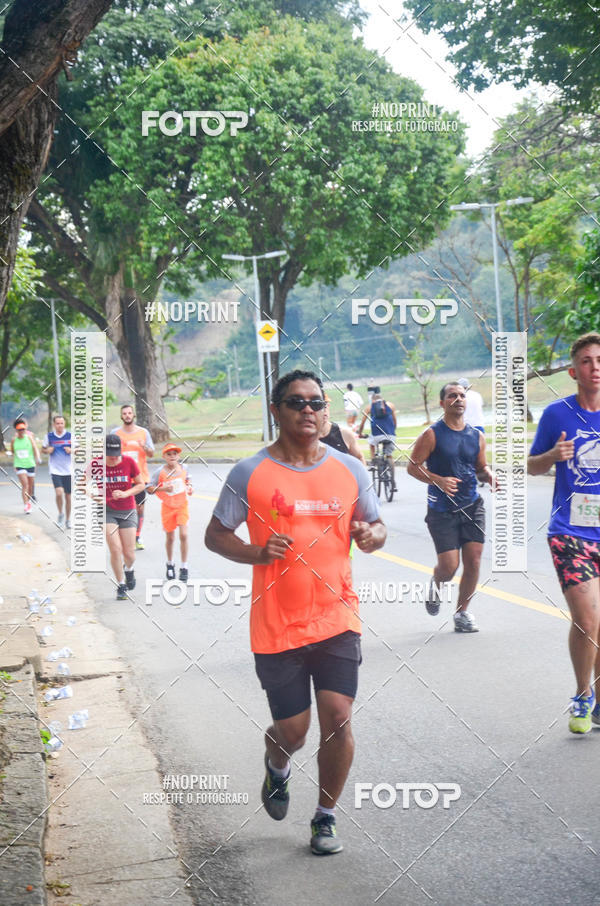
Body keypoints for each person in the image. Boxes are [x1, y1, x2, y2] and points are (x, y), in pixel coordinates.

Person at [205, 369, 385, 855]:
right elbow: (216, 535)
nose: (308, 410)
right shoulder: (249, 472)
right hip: (277, 624)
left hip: (336, 616)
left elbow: (376, 526)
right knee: (294, 732)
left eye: (315, 402)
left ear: (326, 410)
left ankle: (325, 817)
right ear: (276, 411)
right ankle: (277, 765)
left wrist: (373, 536)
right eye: (295, 402)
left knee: (339, 716)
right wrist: (256, 553)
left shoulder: (350, 469)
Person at [528, 333, 600, 734]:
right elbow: (532, 466)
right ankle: (582, 694)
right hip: (570, 531)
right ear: (574, 371)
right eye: (587, 361)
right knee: (587, 621)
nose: (595, 367)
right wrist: (553, 456)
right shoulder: (557, 415)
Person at [407, 382, 496, 632]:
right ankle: (436, 585)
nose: (458, 399)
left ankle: (462, 614)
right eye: (452, 396)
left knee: (474, 561)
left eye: (461, 395)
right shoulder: (432, 434)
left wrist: (489, 475)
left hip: (472, 505)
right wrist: (438, 480)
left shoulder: (477, 436)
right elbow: (412, 467)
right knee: (449, 566)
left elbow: (480, 467)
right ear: (442, 402)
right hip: (442, 509)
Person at [96, 434, 145, 601]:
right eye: (109, 453)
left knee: (129, 553)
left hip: (128, 510)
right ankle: (121, 584)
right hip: (106, 510)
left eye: (116, 453)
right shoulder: (97, 464)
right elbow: (81, 484)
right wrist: (95, 496)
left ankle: (129, 569)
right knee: (115, 549)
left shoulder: (129, 462)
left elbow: (140, 485)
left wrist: (125, 493)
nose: (113, 457)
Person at [147, 443, 193, 581]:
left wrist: (190, 487)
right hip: (167, 507)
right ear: (164, 456)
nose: (172, 456)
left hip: (182, 506)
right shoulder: (160, 471)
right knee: (171, 538)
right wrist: (163, 489)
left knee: (184, 535)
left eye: (175, 453)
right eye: (169, 454)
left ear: (178, 456)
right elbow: (149, 488)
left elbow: (188, 480)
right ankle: (170, 563)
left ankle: (184, 567)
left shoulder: (184, 467)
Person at [113, 405, 154, 550]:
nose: (127, 415)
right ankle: (122, 535)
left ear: (133, 415)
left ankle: (137, 536)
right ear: (121, 416)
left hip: (140, 478)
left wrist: (144, 446)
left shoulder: (143, 432)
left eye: (130, 413)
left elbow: (151, 454)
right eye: (124, 413)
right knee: (121, 509)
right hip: (121, 478)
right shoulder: (115, 433)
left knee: (139, 508)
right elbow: (109, 455)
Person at [358, 393, 397, 489]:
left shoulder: (369, 407)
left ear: (372, 400)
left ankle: (373, 461)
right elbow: (395, 421)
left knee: (371, 443)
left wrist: (360, 433)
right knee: (389, 455)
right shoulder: (390, 405)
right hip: (390, 435)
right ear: (382, 399)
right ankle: (393, 481)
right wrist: (393, 431)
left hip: (376, 435)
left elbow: (362, 423)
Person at [42, 414, 73, 528]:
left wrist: (71, 450)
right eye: (57, 423)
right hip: (55, 470)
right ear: (54, 424)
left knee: (68, 496)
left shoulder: (70, 435)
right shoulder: (49, 436)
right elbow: (43, 449)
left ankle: (68, 520)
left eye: (62, 423)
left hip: (68, 470)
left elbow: (79, 449)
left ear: (64, 424)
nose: (60, 425)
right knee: (59, 493)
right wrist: (47, 450)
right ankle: (60, 514)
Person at [321, 396, 366, 464]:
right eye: (318, 407)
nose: (324, 411)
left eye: (325, 406)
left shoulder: (344, 434)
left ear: (328, 406)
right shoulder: (303, 437)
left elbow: (359, 458)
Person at [10, 418, 41, 513]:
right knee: (25, 485)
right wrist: (15, 462)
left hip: (30, 464)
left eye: (23, 429)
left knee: (30, 486)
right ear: (16, 430)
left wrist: (38, 458)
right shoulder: (13, 440)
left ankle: (29, 501)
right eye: (19, 429)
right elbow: (12, 452)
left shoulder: (29, 437)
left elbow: (35, 448)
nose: (22, 431)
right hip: (20, 465)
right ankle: (26, 505)